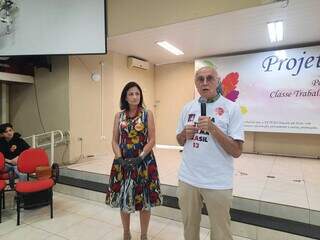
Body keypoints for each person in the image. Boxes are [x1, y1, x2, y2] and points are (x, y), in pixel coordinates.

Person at [176, 66, 244, 240]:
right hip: (188, 179)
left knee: (221, 231)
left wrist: (213, 129)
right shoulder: (187, 108)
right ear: (195, 83)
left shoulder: (232, 108)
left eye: (209, 78)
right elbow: (179, 140)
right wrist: (185, 134)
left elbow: (236, 151)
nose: (205, 82)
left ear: (218, 81)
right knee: (189, 228)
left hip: (218, 182)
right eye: (200, 79)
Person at [106, 81, 162, 240]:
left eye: (137, 93)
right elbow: (114, 141)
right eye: (131, 93)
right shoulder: (119, 115)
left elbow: (152, 140)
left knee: (145, 201)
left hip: (143, 162)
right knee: (125, 198)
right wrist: (119, 158)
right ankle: (126, 233)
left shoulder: (147, 114)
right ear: (125, 96)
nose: (134, 96)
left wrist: (140, 157)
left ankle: (144, 235)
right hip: (123, 163)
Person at [0, 123, 30, 189]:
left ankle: (21, 193)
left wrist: (19, 158)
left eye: (10, 130)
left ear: (13, 131)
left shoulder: (20, 140)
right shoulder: (1, 142)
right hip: (6, 163)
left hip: (18, 163)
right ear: (2, 134)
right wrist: (9, 161)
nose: (9, 133)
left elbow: (29, 151)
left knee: (23, 173)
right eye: (6, 132)